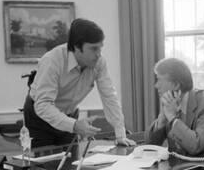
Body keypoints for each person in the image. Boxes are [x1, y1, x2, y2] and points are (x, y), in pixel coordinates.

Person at [24, 18, 136, 148]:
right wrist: (74, 125)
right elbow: (42, 105)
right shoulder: (52, 61)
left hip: (69, 114)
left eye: (100, 48)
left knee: (69, 163)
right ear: (76, 47)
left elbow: (109, 96)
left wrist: (120, 134)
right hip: (39, 117)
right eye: (93, 49)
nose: (99, 54)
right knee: (42, 165)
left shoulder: (99, 62)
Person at [145, 57, 204, 156]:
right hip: (184, 166)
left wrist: (172, 118)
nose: (156, 85)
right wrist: (162, 120)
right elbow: (149, 147)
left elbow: (196, 145)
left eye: (160, 80)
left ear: (176, 85)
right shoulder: (170, 103)